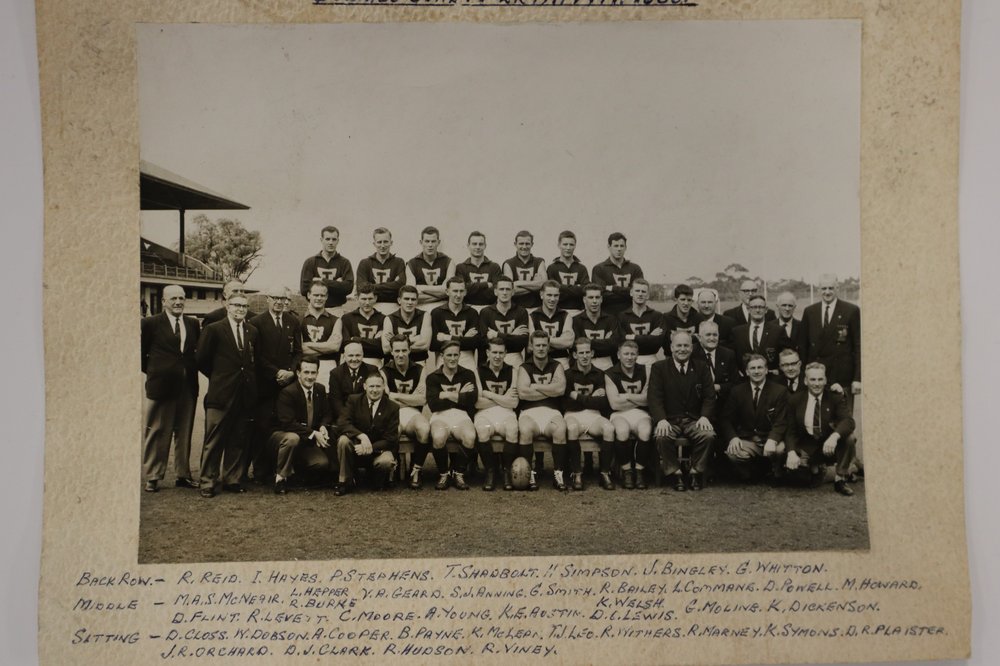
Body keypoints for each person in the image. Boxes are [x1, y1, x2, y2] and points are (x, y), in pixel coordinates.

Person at [196, 294, 258, 498]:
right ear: (227, 306)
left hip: (244, 394)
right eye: (236, 305)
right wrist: (220, 378)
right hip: (221, 393)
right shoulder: (214, 329)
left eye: (244, 306)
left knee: (238, 438)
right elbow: (202, 360)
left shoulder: (252, 331)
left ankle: (232, 479)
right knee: (214, 439)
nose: (240, 309)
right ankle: (207, 482)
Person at [140, 285, 200, 492]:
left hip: (187, 386)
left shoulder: (192, 324)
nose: (178, 302)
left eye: (181, 298)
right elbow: (141, 355)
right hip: (161, 386)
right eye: (173, 298)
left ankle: (183, 475)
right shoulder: (150, 323)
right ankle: (153, 476)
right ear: (164, 301)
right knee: (158, 431)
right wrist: (157, 373)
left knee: (184, 432)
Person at [649, 330, 717, 492]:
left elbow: (709, 396)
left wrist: (705, 416)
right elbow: (654, 397)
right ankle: (676, 472)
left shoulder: (701, 367)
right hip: (670, 419)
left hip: (694, 419)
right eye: (678, 345)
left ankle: (695, 471)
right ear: (671, 348)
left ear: (692, 348)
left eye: (686, 345)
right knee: (661, 436)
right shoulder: (659, 367)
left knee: (708, 436)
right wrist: (661, 419)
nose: (682, 349)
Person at [248, 286, 302, 483]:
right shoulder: (256, 322)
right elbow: (257, 355)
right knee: (262, 426)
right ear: (267, 299)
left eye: (283, 298)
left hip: (287, 383)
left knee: (285, 424)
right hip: (266, 383)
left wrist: (290, 371)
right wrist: (275, 372)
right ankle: (261, 471)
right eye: (275, 298)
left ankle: (285, 469)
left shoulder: (293, 321)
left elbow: (298, 351)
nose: (279, 302)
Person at [784, 362, 857, 496]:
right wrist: (791, 452)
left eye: (820, 379)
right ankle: (848, 468)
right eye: (812, 379)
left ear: (825, 380)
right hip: (808, 445)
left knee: (849, 438)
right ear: (805, 381)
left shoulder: (835, 397)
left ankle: (840, 478)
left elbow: (849, 421)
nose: (817, 384)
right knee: (796, 477)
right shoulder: (795, 400)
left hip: (829, 445)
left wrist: (834, 437)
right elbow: (791, 430)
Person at [268, 356, 336, 494]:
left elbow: (327, 413)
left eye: (313, 372)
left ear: (317, 373)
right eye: (306, 372)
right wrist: (313, 433)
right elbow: (287, 423)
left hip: (306, 441)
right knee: (293, 438)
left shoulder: (320, 389)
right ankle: (280, 478)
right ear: (298, 373)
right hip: (282, 438)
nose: (310, 376)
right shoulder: (288, 392)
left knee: (321, 463)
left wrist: (323, 426)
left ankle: (296, 472)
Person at [719, 354, 790, 482]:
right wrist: (733, 437)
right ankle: (752, 473)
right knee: (733, 453)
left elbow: (781, 420)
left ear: (766, 370)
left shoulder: (779, 391)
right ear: (746, 371)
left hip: (770, 438)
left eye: (760, 367)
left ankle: (777, 472)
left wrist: (773, 440)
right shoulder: (737, 391)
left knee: (780, 450)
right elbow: (726, 419)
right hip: (749, 438)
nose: (756, 371)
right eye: (752, 368)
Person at [516, 331, 569, 491]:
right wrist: (550, 389)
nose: (541, 348)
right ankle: (529, 473)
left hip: (551, 411)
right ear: (531, 346)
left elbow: (560, 389)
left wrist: (536, 386)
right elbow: (523, 393)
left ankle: (558, 474)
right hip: (529, 411)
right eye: (537, 345)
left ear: (549, 346)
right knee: (525, 430)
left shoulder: (556, 365)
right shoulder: (525, 367)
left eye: (544, 345)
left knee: (560, 429)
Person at [334, 373, 400, 496]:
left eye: (378, 386)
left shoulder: (393, 407)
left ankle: (377, 480)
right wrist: (361, 436)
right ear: (365, 386)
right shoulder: (354, 400)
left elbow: (391, 438)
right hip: (356, 447)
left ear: (384, 387)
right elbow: (342, 423)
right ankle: (344, 481)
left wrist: (369, 447)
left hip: (378, 450)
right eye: (371, 386)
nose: (374, 390)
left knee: (386, 461)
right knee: (343, 440)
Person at [800, 274, 862, 404]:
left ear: (837, 288)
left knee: (843, 420)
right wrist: (804, 375)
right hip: (816, 378)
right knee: (818, 419)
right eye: (823, 288)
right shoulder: (809, 311)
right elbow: (803, 346)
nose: (827, 292)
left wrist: (857, 378)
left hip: (842, 377)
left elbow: (858, 346)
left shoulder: (851, 310)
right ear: (818, 290)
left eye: (830, 288)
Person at [425, 340, 479, 490]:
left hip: (461, 415)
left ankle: (458, 473)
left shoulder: (467, 374)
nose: (453, 358)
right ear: (442, 356)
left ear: (460, 355)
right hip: (439, 415)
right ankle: (444, 473)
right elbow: (433, 404)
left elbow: (471, 400)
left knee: (470, 436)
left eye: (456, 355)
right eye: (449, 355)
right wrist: (459, 395)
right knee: (438, 437)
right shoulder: (433, 377)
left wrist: (444, 394)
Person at [563, 337, 615, 490]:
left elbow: (603, 403)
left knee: (609, 429)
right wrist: (591, 398)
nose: (584, 356)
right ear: (575, 355)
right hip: (572, 414)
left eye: (587, 352)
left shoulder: (600, 374)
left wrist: (577, 396)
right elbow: (565, 403)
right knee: (571, 428)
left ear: (592, 353)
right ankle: (576, 473)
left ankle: (605, 473)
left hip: (594, 415)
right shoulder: (567, 375)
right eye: (581, 353)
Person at [381, 335, 432, 489]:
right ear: (391, 351)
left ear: (410, 350)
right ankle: (393, 466)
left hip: (412, 413)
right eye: (397, 350)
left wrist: (395, 395)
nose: (400, 354)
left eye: (404, 350)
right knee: (393, 430)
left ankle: (416, 470)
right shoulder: (384, 370)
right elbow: (386, 400)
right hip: (392, 413)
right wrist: (412, 398)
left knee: (424, 429)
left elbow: (422, 400)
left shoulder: (420, 369)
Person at [473, 337, 520, 491]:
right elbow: (478, 403)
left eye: (501, 352)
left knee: (513, 430)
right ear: (487, 352)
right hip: (484, 413)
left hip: (507, 413)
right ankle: (490, 471)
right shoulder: (478, 371)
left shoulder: (512, 370)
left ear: (506, 353)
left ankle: (506, 471)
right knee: (482, 430)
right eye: (494, 352)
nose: (497, 356)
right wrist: (503, 398)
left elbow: (514, 403)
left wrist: (489, 394)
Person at [605, 340, 653, 490]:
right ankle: (627, 471)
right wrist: (638, 399)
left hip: (641, 413)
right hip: (619, 414)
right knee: (622, 431)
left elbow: (648, 399)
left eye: (633, 354)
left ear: (637, 355)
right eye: (626, 354)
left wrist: (625, 396)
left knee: (645, 431)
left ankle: (639, 471)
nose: (629, 357)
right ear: (619, 355)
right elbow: (614, 404)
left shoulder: (646, 370)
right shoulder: (610, 373)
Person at [299, 225, 354, 315]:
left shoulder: (344, 262)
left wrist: (321, 281)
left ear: (338, 241)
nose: (331, 242)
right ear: (321, 240)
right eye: (327, 239)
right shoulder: (310, 262)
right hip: (314, 310)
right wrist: (337, 284)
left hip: (336, 310)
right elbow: (304, 289)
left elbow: (348, 288)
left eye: (334, 239)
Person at [430, 276, 481, 371]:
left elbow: (476, 342)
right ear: (447, 291)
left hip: (466, 355)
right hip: (444, 356)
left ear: (465, 292)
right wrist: (465, 339)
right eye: (455, 291)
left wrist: (447, 337)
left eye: (461, 291)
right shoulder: (437, 313)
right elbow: (434, 344)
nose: (458, 295)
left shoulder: (472, 312)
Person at [731, 295, 790, 375]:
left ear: (766, 310)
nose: (758, 310)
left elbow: (786, 355)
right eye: (754, 307)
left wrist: (779, 370)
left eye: (761, 307)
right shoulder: (737, 332)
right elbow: (732, 357)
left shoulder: (778, 331)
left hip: (771, 380)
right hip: (745, 380)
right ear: (748, 309)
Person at [479, 276, 529, 367]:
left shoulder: (521, 312)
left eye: (508, 289)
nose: (505, 293)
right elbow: (484, 342)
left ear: (513, 292)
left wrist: (497, 335)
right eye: (501, 289)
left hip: (514, 356)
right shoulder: (486, 312)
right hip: (493, 356)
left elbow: (522, 342)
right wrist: (513, 336)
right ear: (495, 292)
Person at [300, 280, 342, 389]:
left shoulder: (336, 320)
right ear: (309, 295)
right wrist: (326, 346)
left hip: (328, 366)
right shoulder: (299, 320)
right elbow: (299, 349)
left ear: (327, 297)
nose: (319, 298)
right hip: (305, 366)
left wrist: (308, 344)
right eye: (316, 295)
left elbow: (334, 347)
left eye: (322, 295)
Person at [355, 227, 407, 315]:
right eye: (379, 242)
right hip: (371, 306)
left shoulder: (399, 262)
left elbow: (400, 285)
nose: (382, 246)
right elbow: (361, 287)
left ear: (391, 243)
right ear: (374, 243)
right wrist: (392, 285)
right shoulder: (365, 263)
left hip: (394, 306)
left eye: (386, 241)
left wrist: (371, 286)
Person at [571, 283, 620, 371]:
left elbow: (614, 345)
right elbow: (576, 346)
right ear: (584, 300)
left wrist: (586, 342)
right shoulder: (576, 321)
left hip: (607, 365)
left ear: (601, 299)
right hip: (584, 366)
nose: (594, 301)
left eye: (597, 297)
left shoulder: (611, 319)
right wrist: (605, 342)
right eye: (590, 297)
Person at [591, 232, 643, 314]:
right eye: (616, 246)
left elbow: (640, 293)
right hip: (608, 316)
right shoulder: (599, 269)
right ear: (609, 247)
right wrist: (629, 293)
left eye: (622, 246)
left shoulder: (635, 268)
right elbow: (601, 295)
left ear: (626, 247)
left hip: (630, 315)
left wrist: (613, 288)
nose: (619, 249)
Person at [336, 284, 386, 367]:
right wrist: (372, 343)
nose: (367, 303)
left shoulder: (383, 319)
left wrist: (356, 339)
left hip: (375, 362)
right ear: (357, 298)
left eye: (370, 299)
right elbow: (345, 343)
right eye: (363, 299)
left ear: (375, 298)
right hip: (352, 361)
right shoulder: (347, 318)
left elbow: (380, 346)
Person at [618, 278, 665, 367]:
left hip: (651, 359)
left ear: (647, 295)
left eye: (643, 292)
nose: (640, 294)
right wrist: (650, 337)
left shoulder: (657, 316)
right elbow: (621, 340)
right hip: (629, 359)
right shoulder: (622, 316)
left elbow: (657, 342)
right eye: (637, 291)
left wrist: (632, 337)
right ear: (631, 292)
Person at [528, 280, 575, 368]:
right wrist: (559, 343)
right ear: (541, 295)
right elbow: (531, 346)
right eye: (549, 295)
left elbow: (568, 342)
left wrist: (541, 342)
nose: (552, 299)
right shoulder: (532, 316)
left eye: (556, 295)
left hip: (561, 360)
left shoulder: (566, 315)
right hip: (539, 362)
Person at [327, 341, 379, 419]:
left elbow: (376, 397)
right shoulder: (336, 373)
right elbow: (336, 402)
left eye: (358, 355)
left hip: (367, 416)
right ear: (344, 356)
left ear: (363, 355)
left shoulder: (372, 370)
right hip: (344, 417)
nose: (354, 359)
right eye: (350, 355)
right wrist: (347, 418)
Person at [382, 285, 431, 365]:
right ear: (399, 300)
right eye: (406, 299)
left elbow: (425, 346)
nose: (410, 302)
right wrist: (415, 339)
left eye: (413, 299)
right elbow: (386, 348)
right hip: (395, 363)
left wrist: (395, 341)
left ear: (417, 301)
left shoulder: (425, 316)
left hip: (418, 362)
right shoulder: (389, 318)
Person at [692, 319, 737, 408]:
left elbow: (735, 383)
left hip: (723, 404)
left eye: (715, 335)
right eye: (708, 335)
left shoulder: (728, 354)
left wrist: (719, 387)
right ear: (700, 337)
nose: (712, 338)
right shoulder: (692, 353)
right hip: (697, 404)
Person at [454, 230, 503, 309]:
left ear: (485, 246)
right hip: (467, 308)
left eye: (481, 244)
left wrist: (470, 287)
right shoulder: (461, 267)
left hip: (490, 308)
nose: (477, 247)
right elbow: (461, 289)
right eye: (474, 244)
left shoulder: (494, 267)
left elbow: (496, 291)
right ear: (468, 246)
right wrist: (485, 285)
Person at [406, 226, 454, 305]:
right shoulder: (412, 264)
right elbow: (411, 294)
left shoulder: (449, 262)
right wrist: (442, 293)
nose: (430, 245)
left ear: (438, 242)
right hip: (420, 306)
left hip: (443, 306)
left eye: (433, 241)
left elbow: (449, 290)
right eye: (427, 241)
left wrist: (421, 288)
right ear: (421, 242)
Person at [546, 230, 590, 313]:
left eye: (571, 244)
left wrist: (560, 287)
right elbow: (551, 291)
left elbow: (585, 290)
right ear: (559, 245)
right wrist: (576, 288)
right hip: (557, 312)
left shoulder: (581, 268)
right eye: (565, 244)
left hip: (578, 311)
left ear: (575, 246)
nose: (568, 248)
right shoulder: (552, 268)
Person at [502, 230, 547, 311]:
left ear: (532, 244)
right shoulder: (508, 263)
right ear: (515, 244)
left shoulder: (539, 262)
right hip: (515, 310)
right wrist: (535, 285)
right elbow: (509, 290)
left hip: (536, 309)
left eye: (527, 243)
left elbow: (544, 285)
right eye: (521, 243)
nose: (524, 246)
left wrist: (518, 283)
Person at [774, 290, 803, 358]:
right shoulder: (769, 327)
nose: (787, 309)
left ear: (794, 307)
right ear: (777, 306)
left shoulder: (802, 326)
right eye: (784, 305)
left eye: (790, 306)